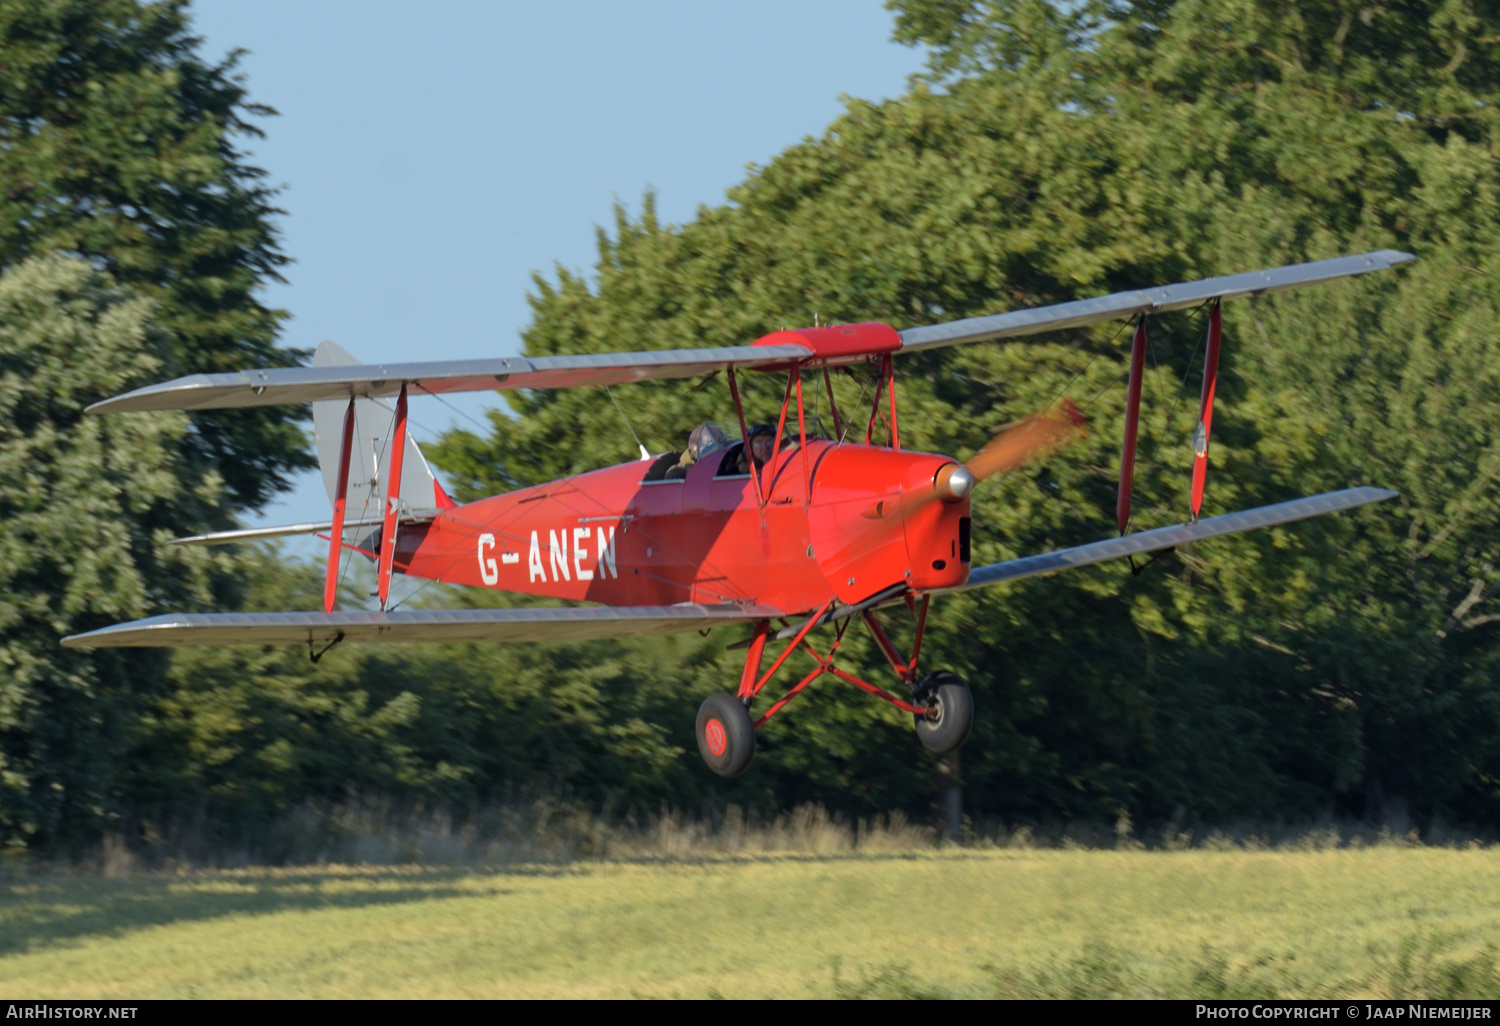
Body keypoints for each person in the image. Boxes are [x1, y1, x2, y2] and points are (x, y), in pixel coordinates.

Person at [665, 422, 729, 479]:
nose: (719, 449)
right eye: (711, 446)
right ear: (695, 449)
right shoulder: (678, 473)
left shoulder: (725, 461)